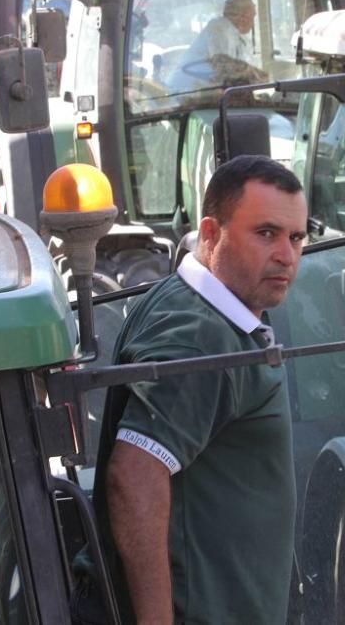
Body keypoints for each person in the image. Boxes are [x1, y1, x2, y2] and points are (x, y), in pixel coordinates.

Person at [95, 155, 308, 624]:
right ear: (210, 233)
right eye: (266, 233)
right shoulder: (201, 335)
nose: (287, 256)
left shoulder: (204, 304)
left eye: (296, 237)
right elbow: (133, 477)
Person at [170, 0, 264, 91]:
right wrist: (254, 73)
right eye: (253, 16)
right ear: (243, 17)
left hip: (206, 93)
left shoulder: (239, 37)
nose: (253, 22)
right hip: (186, 93)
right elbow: (223, 64)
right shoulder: (219, 28)